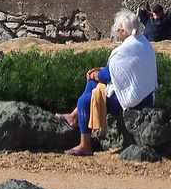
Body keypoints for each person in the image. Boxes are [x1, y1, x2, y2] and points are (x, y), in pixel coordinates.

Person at [61, 9, 157, 156]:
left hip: (135, 98)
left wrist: (95, 74)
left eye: (118, 30)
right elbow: (122, 70)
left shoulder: (127, 48)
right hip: (145, 93)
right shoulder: (141, 42)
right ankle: (74, 118)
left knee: (84, 101)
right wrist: (98, 73)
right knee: (92, 85)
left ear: (124, 31)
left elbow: (107, 76)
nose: (117, 34)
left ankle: (85, 145)